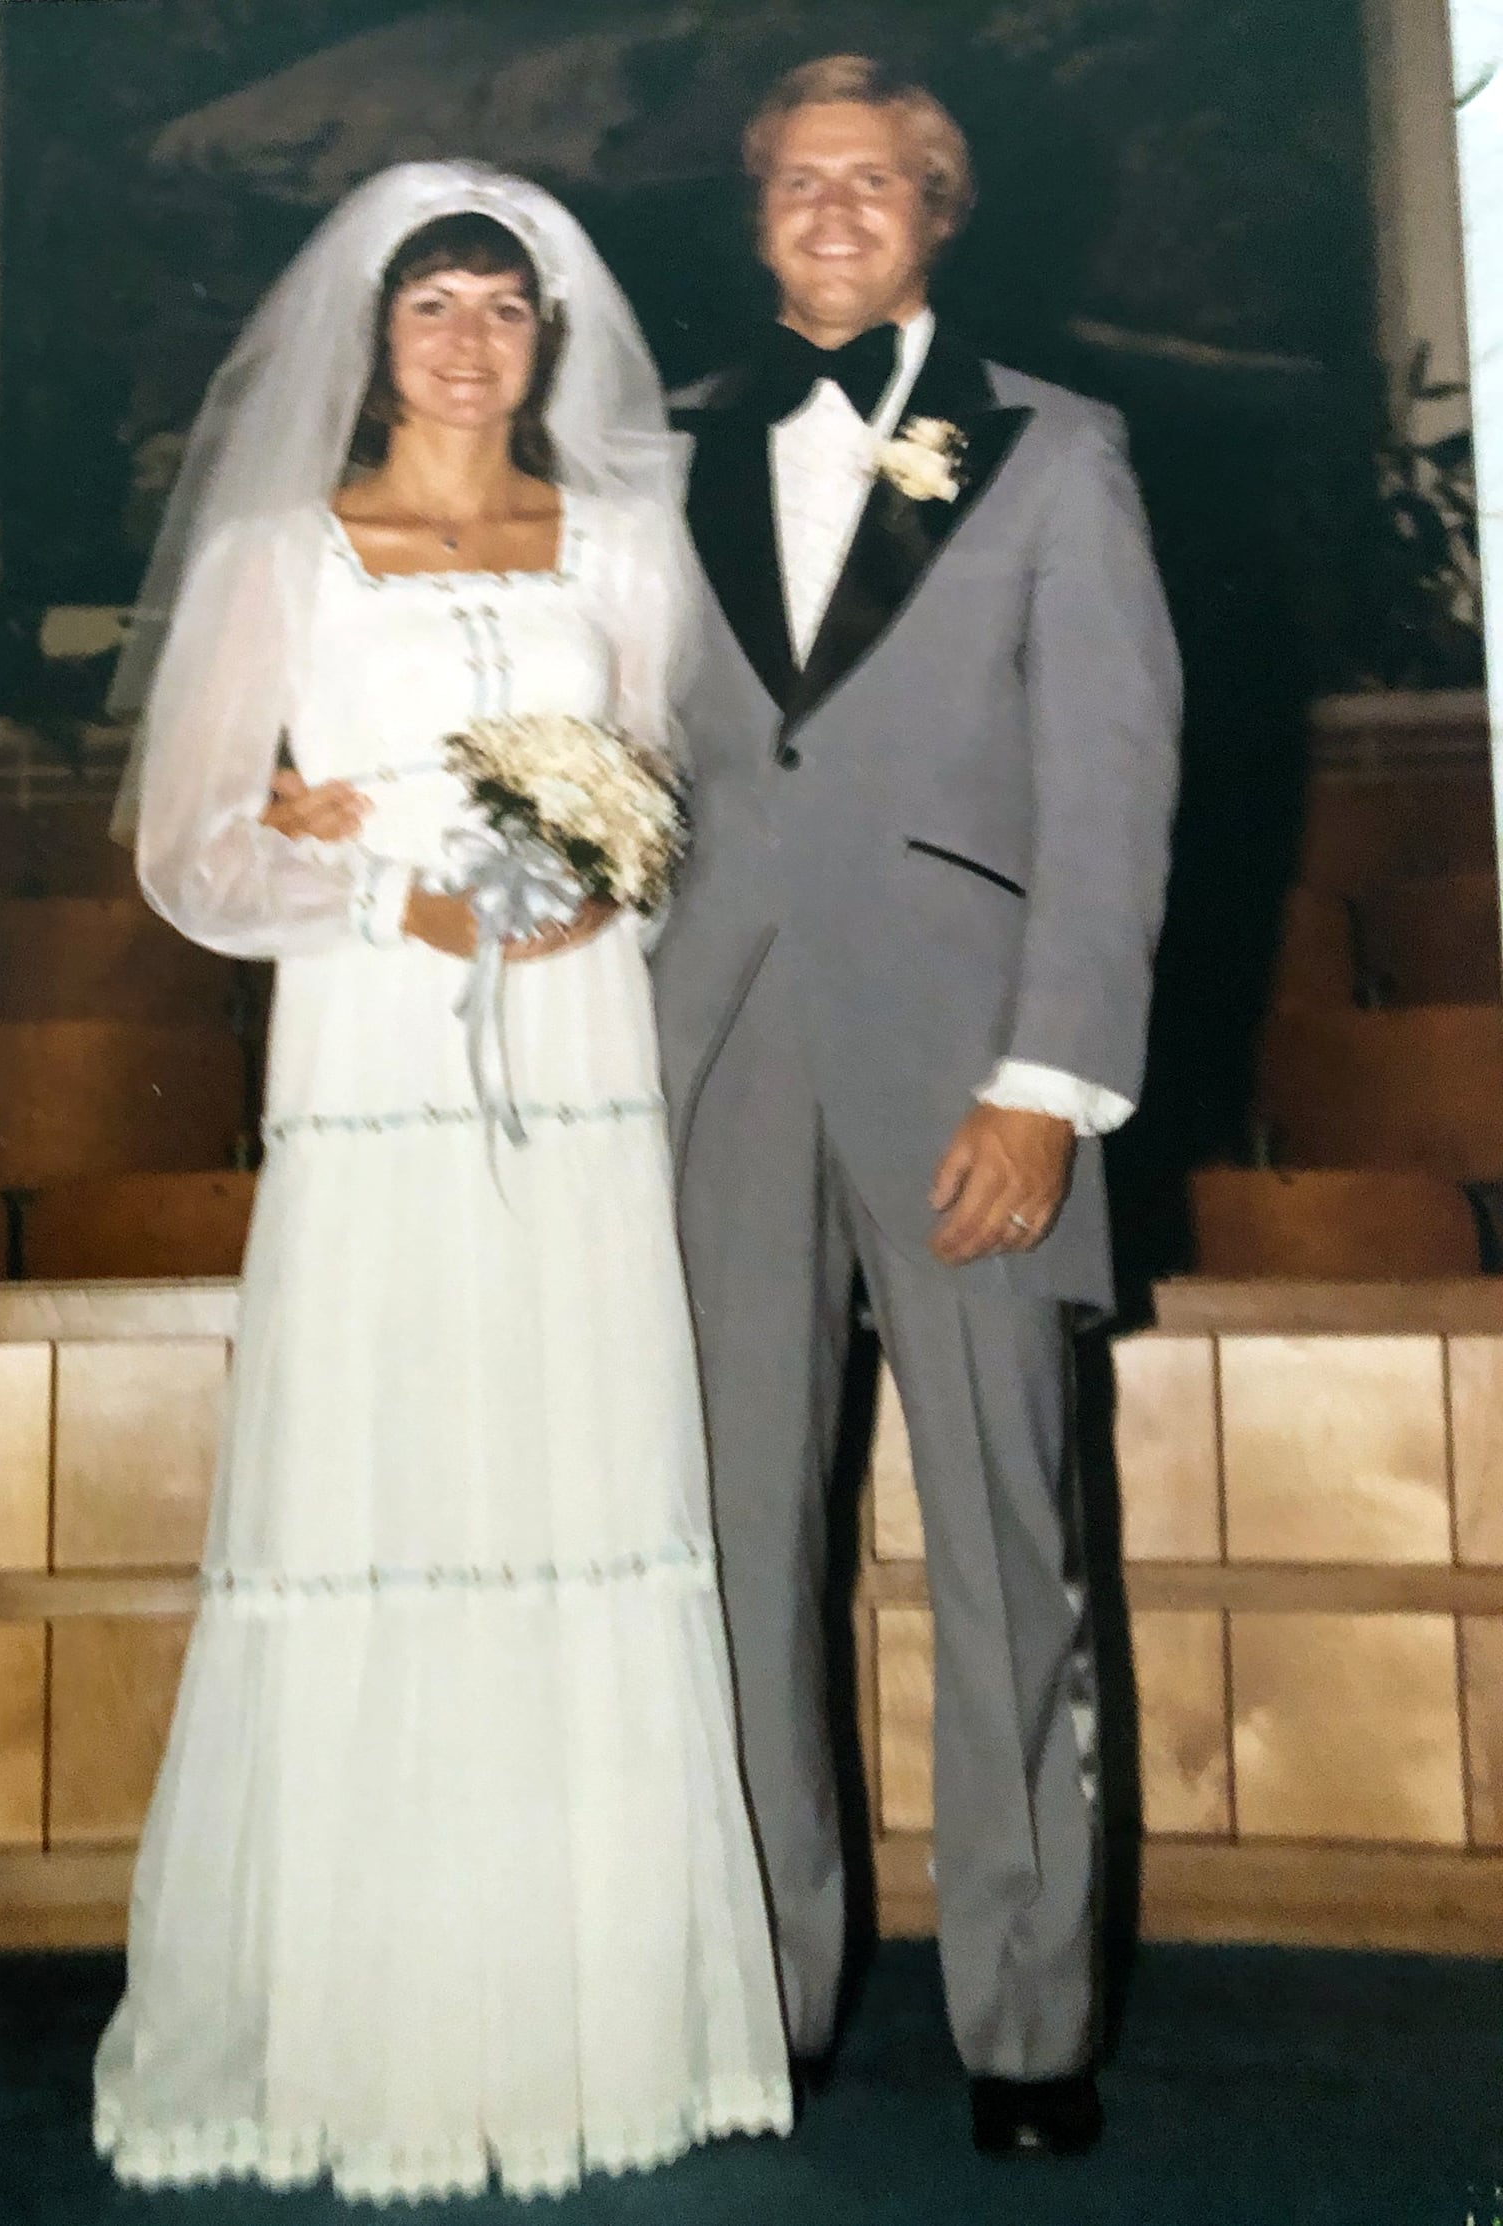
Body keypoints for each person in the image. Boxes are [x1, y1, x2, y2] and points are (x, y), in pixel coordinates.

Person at [93, 163, 791, 2202]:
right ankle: (360, 2022)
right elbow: (198, 843)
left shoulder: (628, 540)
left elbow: (677, 786)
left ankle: (584, 2018)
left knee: (574, 1467)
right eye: (432, 311)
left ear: (546, 339)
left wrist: (610, 879)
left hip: (577, 1059)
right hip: (377, 1032)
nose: (468, 342)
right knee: (380, 1466)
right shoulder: (274, 551)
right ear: (373, 339)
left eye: (502, 309)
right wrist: (374, 878)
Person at [654, 56, 1181, 2157]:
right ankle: (758, 1991)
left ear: (938, 207)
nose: (834, 208)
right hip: (709, 1067)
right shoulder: (657, 456)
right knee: (730, 1548)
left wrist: (1049, 1085)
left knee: (1006, 1550)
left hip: (974, 1072)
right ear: (756, 210)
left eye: (875, 179)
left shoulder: (1059, 453)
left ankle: (1028, 2027)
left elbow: (1111, 792)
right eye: (799, 180)